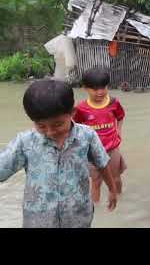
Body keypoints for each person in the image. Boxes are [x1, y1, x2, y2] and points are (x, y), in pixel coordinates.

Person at [0, 79, 117, 228]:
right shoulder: (25, 142)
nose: (50, 132)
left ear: (72, 113)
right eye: (41, 126)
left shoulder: (87, 136)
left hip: (78, 218)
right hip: (38, 221)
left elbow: (102, 163)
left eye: (58, 124)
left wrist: (112, 189)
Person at [73, 68, 126, 203]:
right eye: (95, 89)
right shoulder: (81, 109)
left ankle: (119, 199)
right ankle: (95, 210)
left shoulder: (114, 103)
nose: (100, 92)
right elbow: (76, 127)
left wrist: (119, 131)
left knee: (116, 178)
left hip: (112, 149)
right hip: (92, 152)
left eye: (103, 87)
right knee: (96, 182)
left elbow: (120, 117)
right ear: (85, 88)